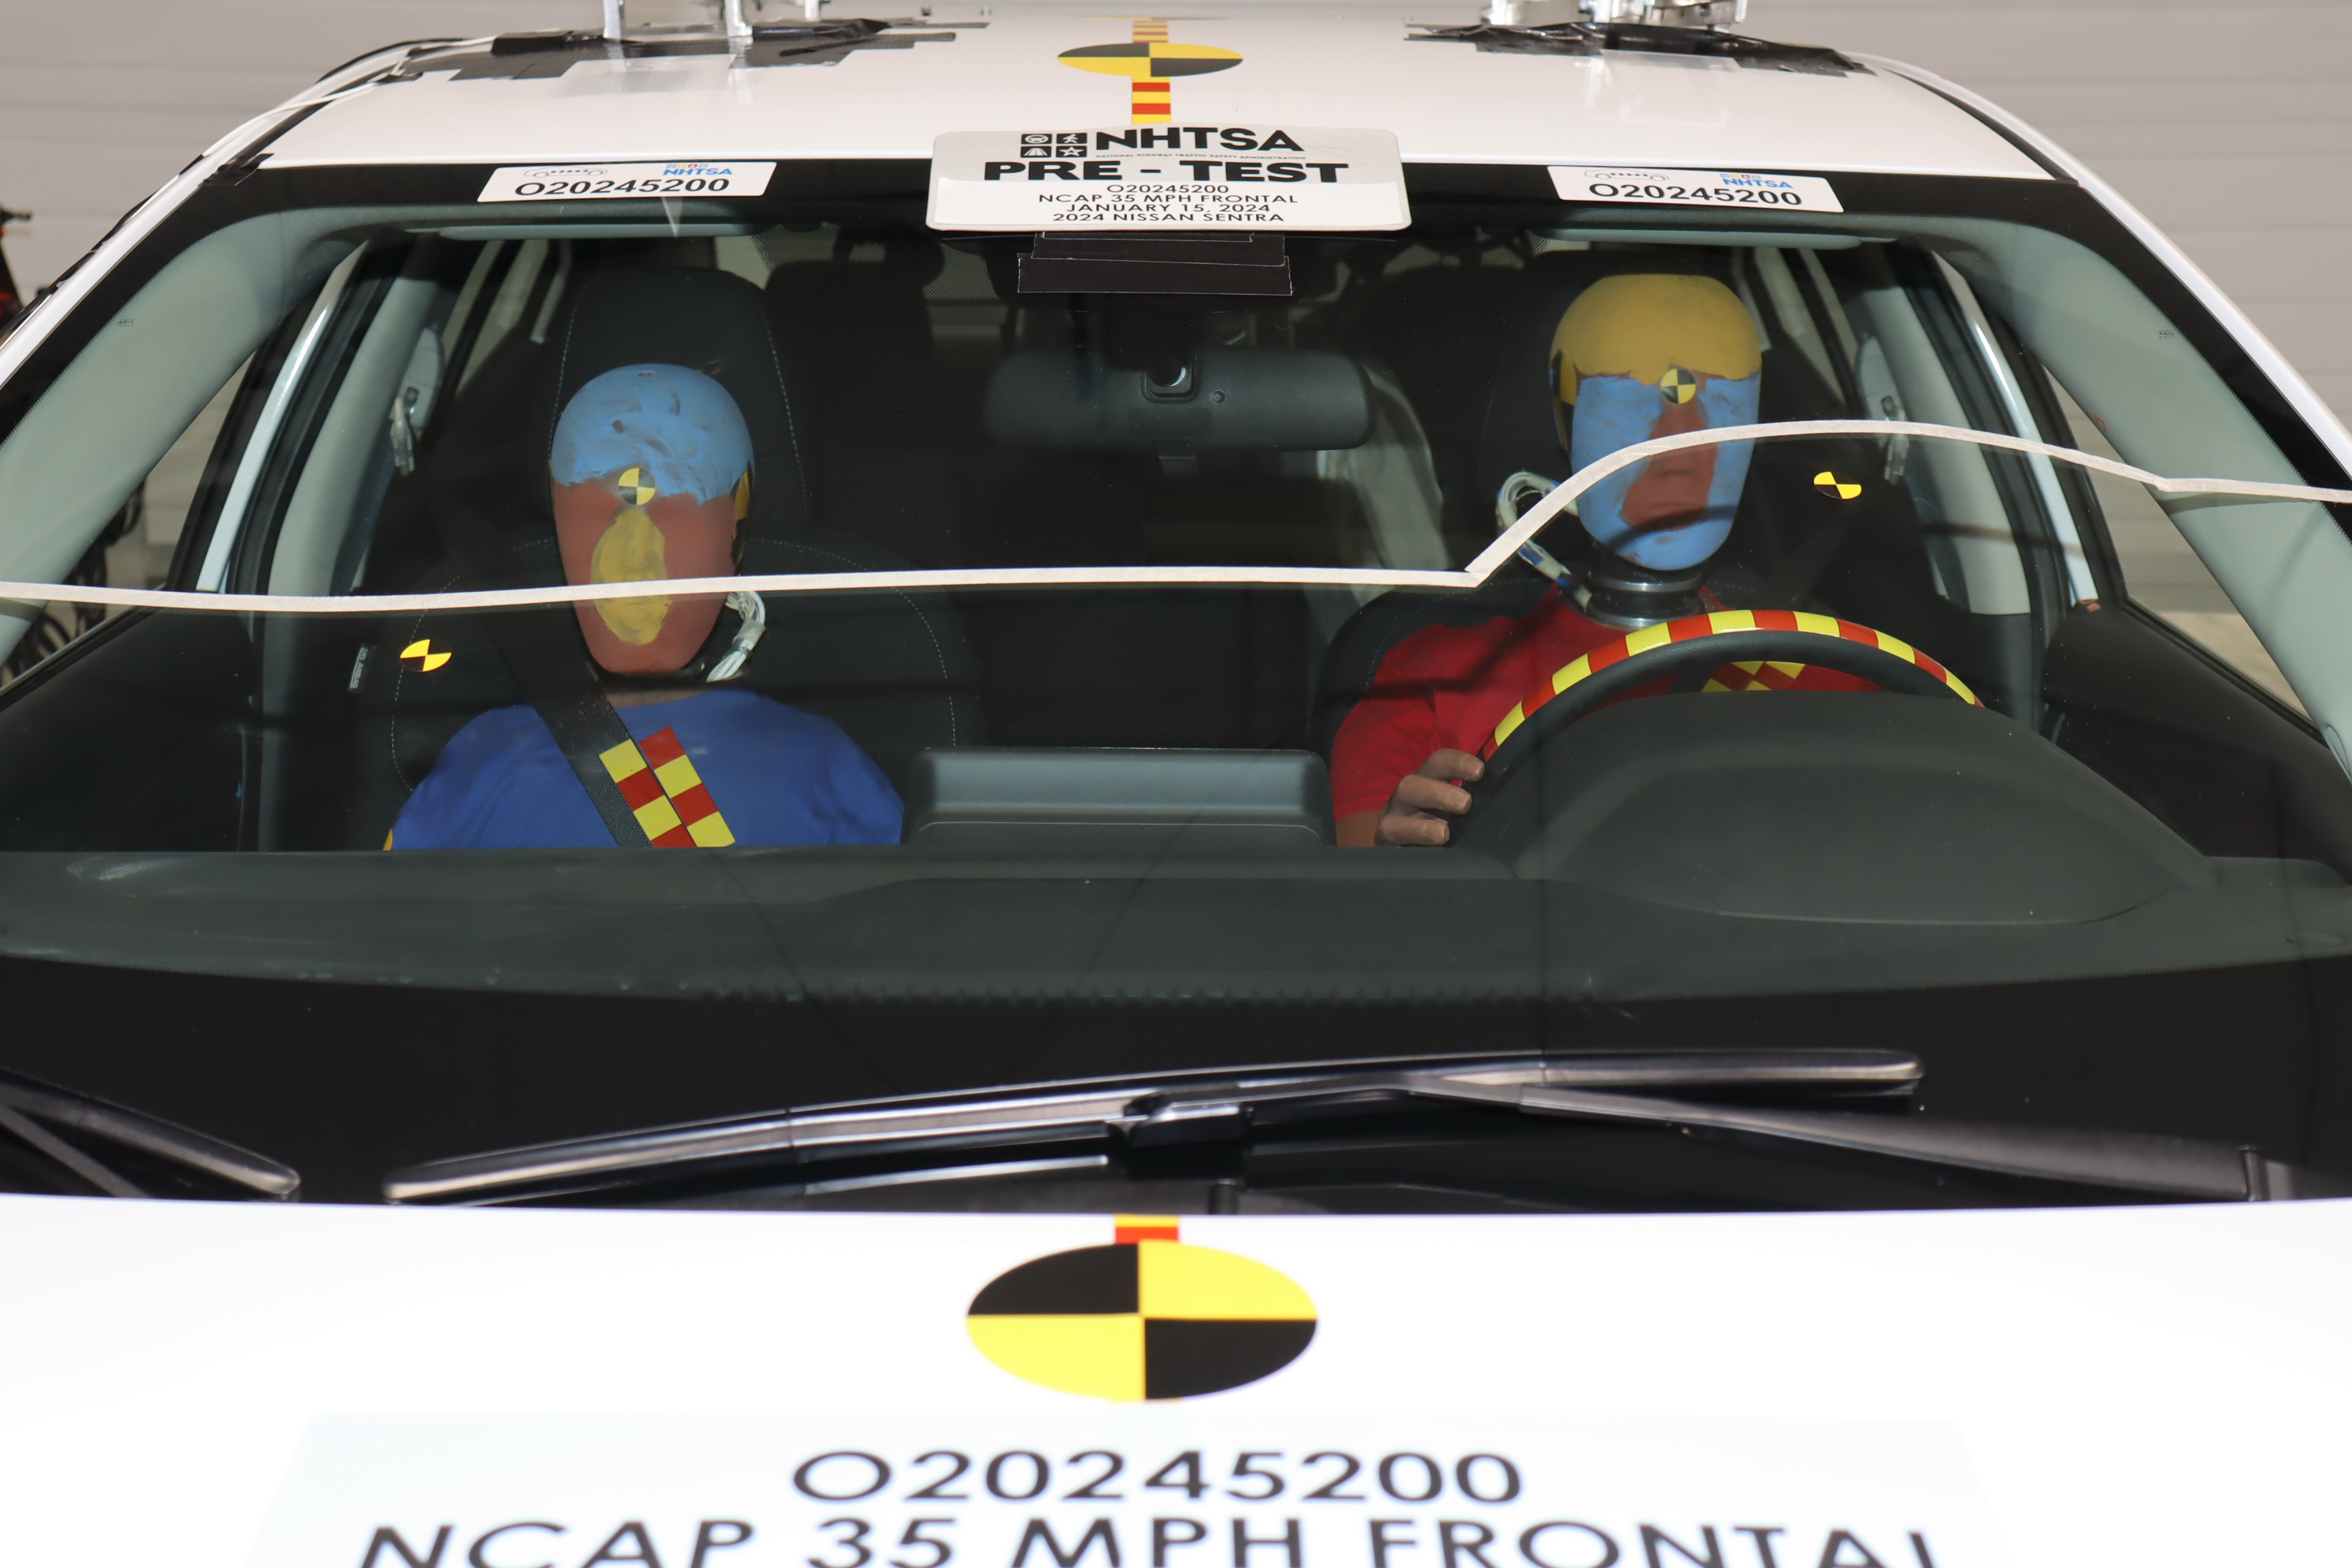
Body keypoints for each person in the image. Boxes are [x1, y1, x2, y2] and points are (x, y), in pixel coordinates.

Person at [1330, 272, 1865, 847]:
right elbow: (1351, 877)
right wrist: (1393, 852)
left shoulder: (1823, 666)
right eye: (1627, 406)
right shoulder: (1441, 673)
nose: (1680, 454)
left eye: (1724, 409)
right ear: (1565, 424)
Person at [389, 363, 903, 850]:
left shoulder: (822, 765)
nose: (631, 560)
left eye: (677, 513)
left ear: (737, 528)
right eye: (593, 513)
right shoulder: (481, 756)